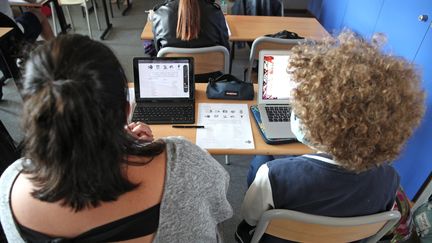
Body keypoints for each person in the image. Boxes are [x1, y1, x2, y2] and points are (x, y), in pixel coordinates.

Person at [0, 34, 232, 242]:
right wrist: (136, 147)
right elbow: (220, 204)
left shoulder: (10, 188)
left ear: (34, 113)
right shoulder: (183, 161)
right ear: (125, 110)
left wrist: (117, 143)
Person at [235, 31, 425, 243]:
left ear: (313, 122)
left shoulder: (274, 175)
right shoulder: (390, 179)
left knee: (261, 159)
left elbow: (250, 218)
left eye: (297, 110)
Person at [147, 0, 230, 55]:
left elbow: (157, 50)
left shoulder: (160, 14)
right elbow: (226, 49)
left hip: (173, 77)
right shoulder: (215, 13)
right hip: (211, 78)